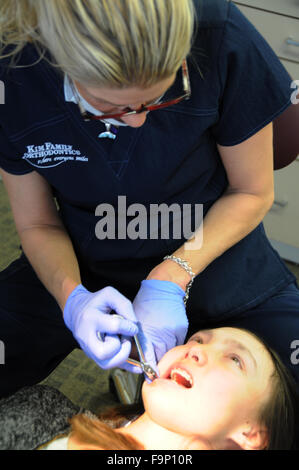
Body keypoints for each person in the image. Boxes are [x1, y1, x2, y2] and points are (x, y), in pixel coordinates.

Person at [0, 0, 298, 399]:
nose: (138, 121)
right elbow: (37, 223)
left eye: (161, 97)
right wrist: (72, 300)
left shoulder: (219, 33)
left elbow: (251, 192)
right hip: (82, 256)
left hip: (210, 247)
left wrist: (169, 279)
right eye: (111, 108)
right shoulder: (13, 72)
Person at [0, 327, 298, 450]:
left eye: (235, 359)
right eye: (198, 339)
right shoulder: (42, 406)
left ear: (251, 434)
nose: (194, 350)